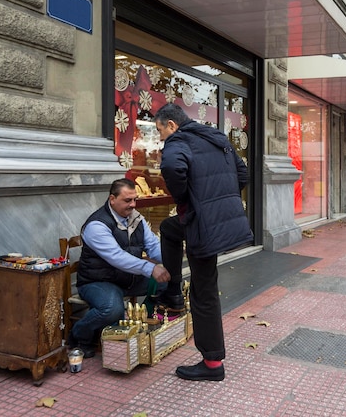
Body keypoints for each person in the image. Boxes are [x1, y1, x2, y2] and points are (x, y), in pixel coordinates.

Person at [154, 103, 253, 382]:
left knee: (204, 291)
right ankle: (172, 288)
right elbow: (242, 174)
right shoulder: (216, 137)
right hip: (220, 219)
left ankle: (212, 364)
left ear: (171, 125)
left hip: (202, 226)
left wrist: (187, 199)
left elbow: (173, 168)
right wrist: (218, 200)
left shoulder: (178, 141)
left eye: (161, 131)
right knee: (169, 228)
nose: (161, 137)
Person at [69, 178, 172, 358]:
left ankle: (140, 325)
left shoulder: (136, 218)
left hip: (127, 278)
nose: (133, 205)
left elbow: (153, 246)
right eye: (127, 200)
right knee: (111, 309)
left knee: (166, 283)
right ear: (112, 199)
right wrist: (150, 268)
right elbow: (117, 257)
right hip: (98, 281)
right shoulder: (97, 225)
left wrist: (172, 261)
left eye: (135, 199)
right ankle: (78, 336)